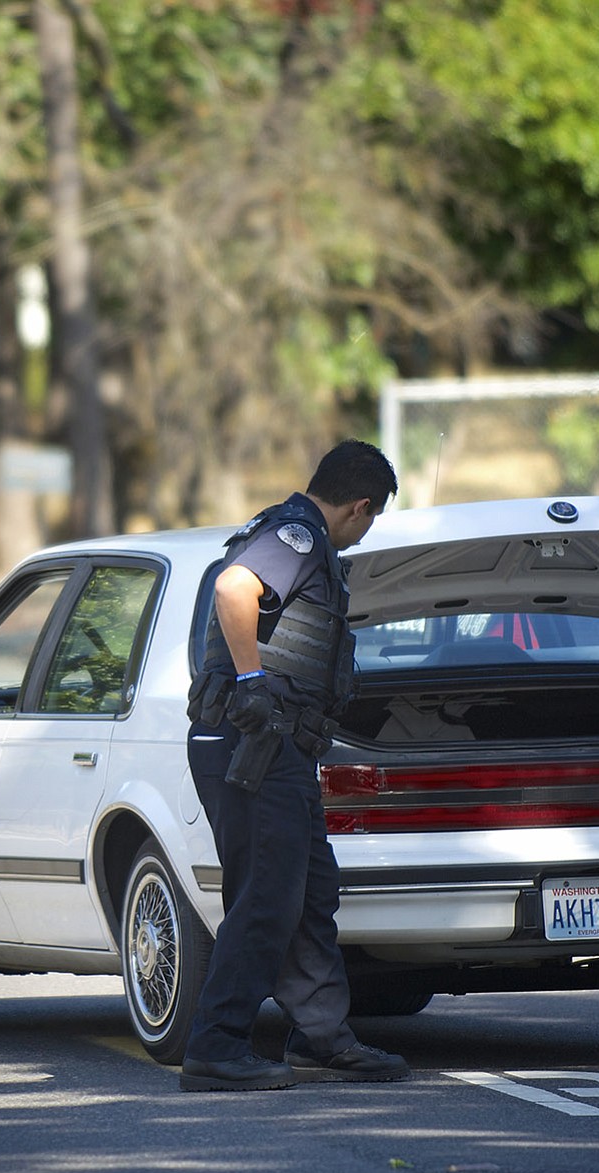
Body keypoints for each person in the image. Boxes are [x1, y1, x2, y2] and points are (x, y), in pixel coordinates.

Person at [178, 438, 408, 1091]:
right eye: (371, 521)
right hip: (253, 741)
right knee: (266, 900)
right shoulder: (298, 537)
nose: (364, 535)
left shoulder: (298, 535)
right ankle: (217, 1044)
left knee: (309, 895)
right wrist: (252, 681)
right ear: (360, 506)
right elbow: (232, 588)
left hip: (280, 748)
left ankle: (322, 1038)